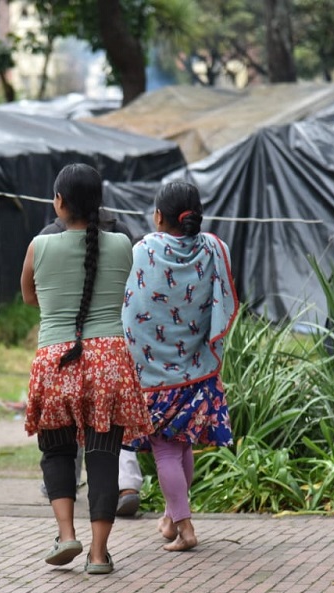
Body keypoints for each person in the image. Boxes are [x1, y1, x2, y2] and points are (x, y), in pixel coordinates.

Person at [21, 163, 152, 575]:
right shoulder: (121, 245)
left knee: (57, 450)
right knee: (103, 455)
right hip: (110, 359)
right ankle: (98, 554)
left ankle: (66, 535)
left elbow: (29, 298)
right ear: (100, 204)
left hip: (57, 358)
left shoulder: (37, 247)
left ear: (58, 202)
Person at [122, 180, 239, 552]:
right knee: (182, 447)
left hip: (154, 376)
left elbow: (133, 306)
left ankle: (186, 527)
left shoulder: (143, 249)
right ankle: (172, 518)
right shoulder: (215, 248)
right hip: (196, 370)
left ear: (158, 216)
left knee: (166, 451)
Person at [36, 208, 146, 517]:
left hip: (60, 350)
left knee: (62, 436)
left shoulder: (45, 239)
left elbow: (34, 296)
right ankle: (126, 487)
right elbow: (136, 286)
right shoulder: (122, 237)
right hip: (111, 347)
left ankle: (64, 493)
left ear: (59, 201)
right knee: (110, 436)